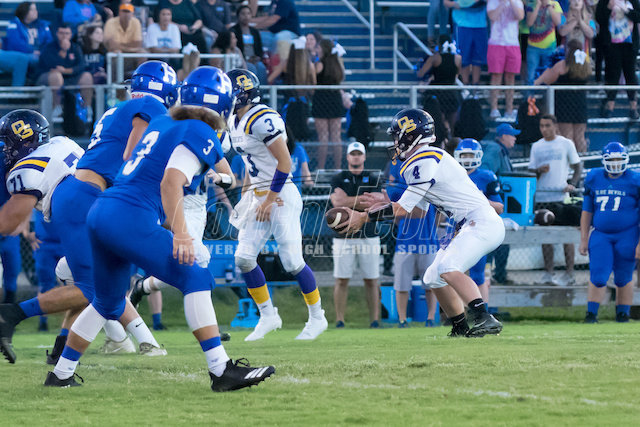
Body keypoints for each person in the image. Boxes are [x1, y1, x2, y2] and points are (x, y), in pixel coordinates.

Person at [45, 66, 275, 391]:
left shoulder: (165, 122)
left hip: (103, 211)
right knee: (196, 277)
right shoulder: (198, 129)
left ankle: (61, 374)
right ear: (221, 104)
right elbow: (171, 182)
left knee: (107, 302)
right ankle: (221, 370)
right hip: (130, 215)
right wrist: (181, 233)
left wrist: (217, 181)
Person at [0, 110, 161, 365]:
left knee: (92, 288)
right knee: (87, 282)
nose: (5, 149)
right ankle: (67, 347)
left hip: (77, 208)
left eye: (8, 143)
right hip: (100, 203)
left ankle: (12, 314)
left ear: (26, 141)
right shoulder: (63, 142)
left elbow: (9, 223)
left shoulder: (25, 169)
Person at [43, 61, 177, 365]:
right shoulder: (151, 107)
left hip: (84, 191)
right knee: (97, 278)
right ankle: (140, 342)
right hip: (96, 195)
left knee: (91, 276)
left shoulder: (115, 110)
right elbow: (132, 154)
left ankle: (105, 343)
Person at [338, 109, 504, 337]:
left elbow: (403, 208)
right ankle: (459, 326)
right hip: (469, 224)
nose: (395, 142)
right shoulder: (426, 160)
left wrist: (363, 216)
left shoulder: (424, 160)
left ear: (410, 135)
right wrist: (389, 203)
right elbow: (417, 211)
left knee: (448, 268)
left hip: (480, 222)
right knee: (432, 277)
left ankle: (484, 317)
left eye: (397, 136)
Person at [227, 68, 328, 341]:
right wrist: (248, 193)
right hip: (258, 194)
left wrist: (269, 199)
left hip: (281, 193)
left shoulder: (262, 118)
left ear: (243, 94)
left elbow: (284, 163)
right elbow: (251, 162)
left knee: (292, 261)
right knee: (244, 258)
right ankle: (268, 315)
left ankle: (317, 317)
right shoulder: (234, 120)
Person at [580, 142, 640, 323]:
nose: (615, 163)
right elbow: (587, 211)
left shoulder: (635, 180)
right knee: (598, 276)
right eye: (611, 160)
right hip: (601, 234)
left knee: (624, 277)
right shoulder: (594, 177)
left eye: (618, 159)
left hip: (627, 234)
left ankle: (623, 314)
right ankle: (591, 314)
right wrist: (583, 239)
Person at [330, 142, 384, 328]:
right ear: (347, 157)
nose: (355, 157)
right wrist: (361, 200)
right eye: (352, 154)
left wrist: (347, 200)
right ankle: (340, 320)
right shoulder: (338, 178)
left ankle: (374, 320)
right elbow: (337, 203)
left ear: (364, 157)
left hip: (368, 235)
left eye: (358, 154)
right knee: (341, 279)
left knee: (372, 280)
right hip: (343, 237)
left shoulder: (373, 177)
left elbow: (375, 204)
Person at [528, 114, 583, 286]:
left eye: (547, 125)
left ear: (555, 126)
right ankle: (548, 273)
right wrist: (539, 170)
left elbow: (578, 166)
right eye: (542, 126)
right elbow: (531, 172)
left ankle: (569, 274)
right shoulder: (536, 146)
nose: (544, 129)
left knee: (566, 235)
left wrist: (572, 184)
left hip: (560, 197)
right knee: (546, 236)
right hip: (543, 198)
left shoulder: (566, 143)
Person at [386, 159, 440, 328]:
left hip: (428, 241)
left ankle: (430, 317)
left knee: (430, 284)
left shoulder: (432, 186)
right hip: (406, 241)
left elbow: (439, 214)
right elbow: (394, 214)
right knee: (402, 284)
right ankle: (402, 319)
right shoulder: (399, 189)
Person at [453, 139, 504, 305]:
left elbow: (499, 207)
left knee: (478, 275)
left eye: (470, 155)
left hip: (478, 232)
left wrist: (480, 201)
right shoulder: (452, 176)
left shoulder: (486, 177)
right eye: (464, 155)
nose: (467, 159)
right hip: (455, 231)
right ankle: (458, 314)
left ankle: (483, 313)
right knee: (453, 274)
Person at [534, 39, 591, 152]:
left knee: (567, 137)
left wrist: (540, 77)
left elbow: (548, 80)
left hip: (564, 105)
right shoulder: (586, 65)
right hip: (580, 105)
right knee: (580, 138)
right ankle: (581, 160)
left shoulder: (562, 65)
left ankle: (570, 161)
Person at [481, 123, 520, 285]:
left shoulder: (501, 150)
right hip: (492, 203)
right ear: (503, 136)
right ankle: (490, 275)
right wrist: (492, 188)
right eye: (512, 135)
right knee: (494, 240)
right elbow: (485, 169)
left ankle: (499, 274)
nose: (515, 138)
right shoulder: (495, 149)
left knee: (503, 239)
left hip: (499, 203)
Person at [595, 0, 640, 119]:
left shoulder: (633, 1)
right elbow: (599, 18)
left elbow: (638, 16)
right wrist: (609, 8)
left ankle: (633, 107)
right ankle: (610, 105)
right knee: (612, 74)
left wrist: (626, 11)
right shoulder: (605, 1)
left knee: (630, 73)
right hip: (612, 44)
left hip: (629, 43)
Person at [37, 24, 94, 115]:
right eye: (61, 33)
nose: (64, 36)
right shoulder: (49, 47)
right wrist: (63, 51)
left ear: (71, 35)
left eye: (67, 33)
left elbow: (81, 65)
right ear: (57, 34)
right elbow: (51, 65)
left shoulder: (75, 47)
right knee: (56, 76)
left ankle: (87, 108)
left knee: (87, 76)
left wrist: (67, 71)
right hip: (48, 77)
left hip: (70, 77)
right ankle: (56, 107)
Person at [487, 0, 525, 120]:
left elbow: (520, 16)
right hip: (496, 43)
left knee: (510, 78)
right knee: (496, 76)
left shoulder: (517, 2)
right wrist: (502, 3)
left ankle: (509, 109)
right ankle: (494, 109)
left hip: (512, 44)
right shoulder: (492, 2)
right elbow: (492, 16)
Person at [312, 39, 346, 170]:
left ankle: (321, 167)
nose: (317, 50)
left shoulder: (319, 64)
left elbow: (313, 82)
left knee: (323, 137)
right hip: (335, 100)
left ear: (324, 49)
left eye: (318, 47)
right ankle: (337, 167)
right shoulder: (337, 64)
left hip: (321, 100)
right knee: (336, 137)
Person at [417, 36, 462, 134]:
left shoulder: (434, 58)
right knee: (453, 124)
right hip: (451, 93)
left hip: (436, 93)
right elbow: (457, 74)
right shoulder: (458, 59)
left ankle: (441, 137)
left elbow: (420, 73)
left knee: (437, 121)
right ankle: (451, 138)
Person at [32, 210, 65, 331]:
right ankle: (43, 323)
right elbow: (25, 207)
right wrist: (27, 232)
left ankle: (68, 326)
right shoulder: (39, 198)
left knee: (72, 284)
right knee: (45, 285)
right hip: (44, 243)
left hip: (65, 242)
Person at [443, 0, 488, 85]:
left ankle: (475, 87)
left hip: (480, 25)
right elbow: (446, 2)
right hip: (462, 24)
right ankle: (464, 86)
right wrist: (457, 4)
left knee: (477, 59)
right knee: (463, 58)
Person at [525, 0, 563, 85]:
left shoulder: (555, 4)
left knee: (548, 75)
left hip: (550, 48)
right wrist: (537, 6)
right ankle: (530, 93)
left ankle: (546, 94)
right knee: (531, 75)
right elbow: (529, 23)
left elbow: (558, 22)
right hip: (533, 47)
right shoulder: (531, 4)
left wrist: (549, 6)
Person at [4, 1, 52, 68]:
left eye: (36, 9)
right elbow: (15, 43)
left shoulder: (43, 25)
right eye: (32, 10)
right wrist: (32, 51)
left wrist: (41, 51)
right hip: (22, 54)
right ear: (24, 11)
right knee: (36, 59)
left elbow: (49, 41)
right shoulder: (14, 25)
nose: (36, 12)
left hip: (40, 54)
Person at [104, 3, 145, 77]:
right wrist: (130, 46)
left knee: (142, 53)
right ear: (119, 12)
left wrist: (119, 46)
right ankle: (115, 82)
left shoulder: (136, 22)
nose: (126, 14)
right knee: (116, 53)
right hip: (116, 54)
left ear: (132, 14)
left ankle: (139, 78)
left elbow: (138, 44)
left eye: (128, 12)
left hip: (131, 54)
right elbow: (111, 45)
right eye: (124, 11)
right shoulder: (111, 22)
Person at [231, 5, 268, 83]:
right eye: (243, 14)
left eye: (248, 14)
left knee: (261, 67)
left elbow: (259, 48)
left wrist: (257, 57)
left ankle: (262, 90)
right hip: (242, 60)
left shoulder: (255, 31)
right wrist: (245, 59)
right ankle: (251, 90)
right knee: (251, 68)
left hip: (254, 59)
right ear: (238, 16)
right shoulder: (233, 31)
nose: (246, 16)